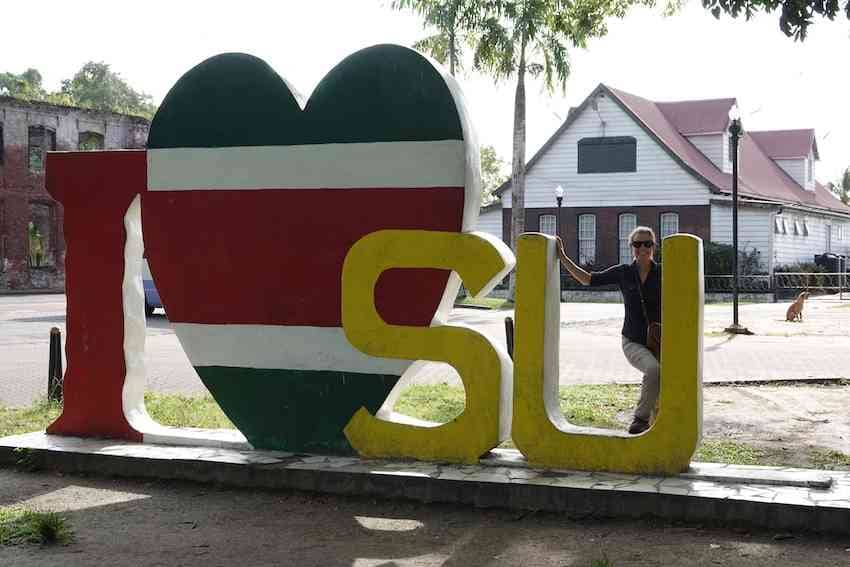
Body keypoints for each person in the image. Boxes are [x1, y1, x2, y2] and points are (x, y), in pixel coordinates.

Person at [556, 226, 661, 435]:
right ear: (631, 247)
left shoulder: (663, 272)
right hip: (633, 341)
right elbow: (588, 279)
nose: (642, 248)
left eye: (647, 244)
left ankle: (656, 430)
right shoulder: (624, 272)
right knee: (654, 370)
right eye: (637, 244)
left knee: (662, 385)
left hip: (660, 341)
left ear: (654, 247)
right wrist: (563, 257)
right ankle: (640, 419)